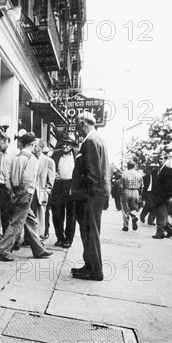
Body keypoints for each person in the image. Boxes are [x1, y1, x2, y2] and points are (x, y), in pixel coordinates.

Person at [0, 132, 53, 261]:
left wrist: (11, 192)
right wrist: (21, 192)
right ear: (32, 144)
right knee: (16, 223)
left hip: (15, 192)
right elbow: (27, 178)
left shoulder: (16, 156)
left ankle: (39, 249)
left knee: (31, 220)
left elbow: (7, 176)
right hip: (25, 194)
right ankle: (1, 250)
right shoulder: (32, 158)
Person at [70, 112, 110, 281]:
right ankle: (90, 266)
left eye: (77, 125)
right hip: (95, 195)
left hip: (90, 197)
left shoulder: (91, 141)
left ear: (83, 123)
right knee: (89, 232)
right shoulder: (97, 140)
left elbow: (92, 174)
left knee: (90, 233)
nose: (77, 129)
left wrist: (83, 195)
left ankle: (95, 271)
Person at [50, 134, 77, 248]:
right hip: (58, 186)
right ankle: (60, 238)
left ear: (72, 145)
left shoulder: (77, 154)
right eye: (64, 143)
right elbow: (50, 168)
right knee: (57, 213)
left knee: (71, 214)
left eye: (68, 144)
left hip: (71, 185)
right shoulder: (56, 154)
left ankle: (68, 239)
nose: (65, 146)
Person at [151, 151, 172, 239]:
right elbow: (154, 185)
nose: (160, 160)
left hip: (165, 197)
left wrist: (170, 196)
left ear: (165, 160)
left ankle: (160, 233)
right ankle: (170, 229)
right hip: (157, 197)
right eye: (158, 159)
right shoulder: (155, 171)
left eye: (161, 159)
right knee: (162, 214)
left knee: (161, 215)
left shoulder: (169, 171)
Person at [32, 139, 55, 240]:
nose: (34, 148)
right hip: (31, 191)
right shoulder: (31, 159)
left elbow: (51, 178)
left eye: (36, 146)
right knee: (31, 215)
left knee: (41, 215)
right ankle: (30, 237)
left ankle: (40, 236)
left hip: (41, 191)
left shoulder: (48, 161)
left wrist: (47, 191)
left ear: (41, 148)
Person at [119, 161, 143, 231]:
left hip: (126, 191)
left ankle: (126, 226)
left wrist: (121, 193)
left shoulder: (124, 174)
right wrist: (140, 194)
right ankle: (134, 217)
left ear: (128, 166)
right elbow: (142, 186)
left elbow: (121, 185)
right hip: (136, 191)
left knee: (125, 209)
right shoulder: (139, 175)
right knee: (134, 207)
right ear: (134, 166)